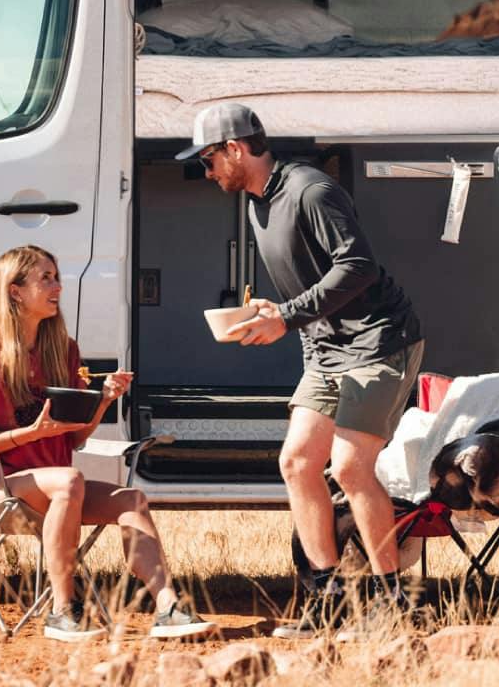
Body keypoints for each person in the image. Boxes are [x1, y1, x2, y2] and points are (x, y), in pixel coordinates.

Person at [179, 103, 425, 634]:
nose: (206, 172)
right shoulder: (254, 202)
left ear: (235, 150)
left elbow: (358, 266)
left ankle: (392, 604)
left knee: (351, 468)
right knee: (296, 464)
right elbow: (307, 282)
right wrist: (273, 313)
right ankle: (327, 600)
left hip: (379, 340)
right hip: (326, 348)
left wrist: (286, 318)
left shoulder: (312, 191)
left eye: (208, 160)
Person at [0, 244, 216, 642]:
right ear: (15, 290)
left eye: (57, 276)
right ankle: (62, 611)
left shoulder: (63, 351)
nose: (58, 286)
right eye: (46, 278)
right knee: (69, 480)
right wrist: (30, 434)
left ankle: (168, 607)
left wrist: (104, 400)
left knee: (131, 500)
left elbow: (75, 436)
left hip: (56, 490)